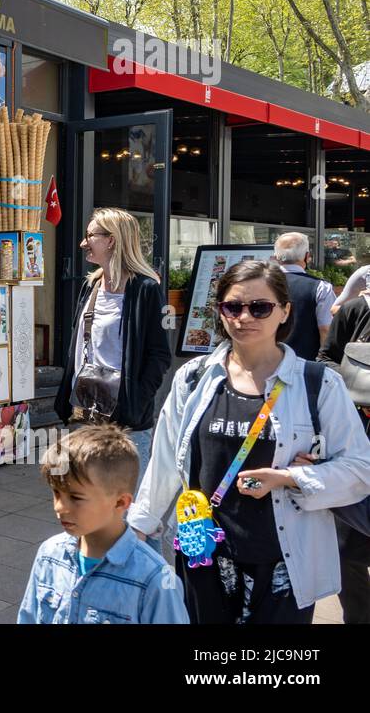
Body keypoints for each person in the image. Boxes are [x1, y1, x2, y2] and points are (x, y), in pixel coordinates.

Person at [130, 260, 370, 624]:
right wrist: (137, 528)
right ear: (220, 312)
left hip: (283, 564)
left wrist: (290, 478)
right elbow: (165, 460)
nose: (245, 317)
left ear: (284, 311)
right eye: (233, 306)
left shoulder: (319, 384)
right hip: (203, 554)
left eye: (260, 307)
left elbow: (360, 468)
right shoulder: (194, 378)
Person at [18, 425, 188, 624]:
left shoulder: (154, 580)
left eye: (75, 497)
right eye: (56, 493)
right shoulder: (49, 555)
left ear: (120, 502)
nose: (60, 507)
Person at [54, 208, 171, 476]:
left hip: (125, 420)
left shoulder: (146, 290)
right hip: (85, 409)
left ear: (112, 240)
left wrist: (137, 402)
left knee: (125, 504)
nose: (83, 243)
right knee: (90, 495)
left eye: (89, 235)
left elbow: (159, 355)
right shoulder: (90, 285)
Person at [316, 295, 370, 624]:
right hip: (358, 441)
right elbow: (325, 358)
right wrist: (358, 380)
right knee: (346, 548)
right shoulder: (358, 309)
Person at [273, 233, 334, 358]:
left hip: (266, 363)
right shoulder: (321, 287)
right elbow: (325, 330)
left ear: (275, 257)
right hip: (306, 363)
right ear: (307, 256)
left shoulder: (263, 284)